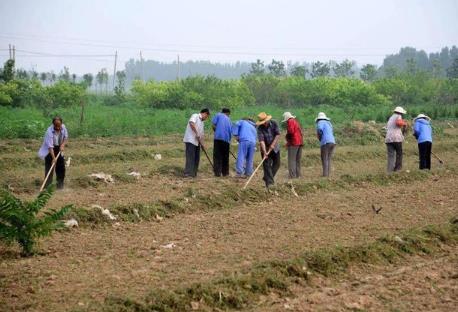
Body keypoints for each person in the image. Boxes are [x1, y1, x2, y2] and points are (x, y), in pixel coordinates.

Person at [38, 116, 68, 189]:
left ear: (61, 124)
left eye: (59, 126)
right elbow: (50, 147)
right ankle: (47, 187)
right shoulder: (49, 132)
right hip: (50, 150)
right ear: (53, 124)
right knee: (49, 167)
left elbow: (65, 137)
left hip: (59, 147)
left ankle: (60, 186)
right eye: (56, 126)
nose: (58, 128)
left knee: (61, 167)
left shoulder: (63, 127)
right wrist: (54, 158)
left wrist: (62, 145)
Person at [183, 108, 210, 177]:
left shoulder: (202, 122)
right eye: (207, 116)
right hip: (190, 140)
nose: (206, 118)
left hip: (197, 142)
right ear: (204, 113)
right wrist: (197, 133)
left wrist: (203, 144)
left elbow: (202, 135)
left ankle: (193, 173)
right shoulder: (195, 115)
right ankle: (188, 173)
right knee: (190, 157)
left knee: (196, 158)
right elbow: (191, 123)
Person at [256, 112, 281, 189]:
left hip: (275, 147)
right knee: (267, 166)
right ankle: (269, 184)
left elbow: (277, 134)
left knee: (277, 164)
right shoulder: (260, 128)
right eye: (262, 123)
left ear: (267, 120)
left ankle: (267, 178)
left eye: (265, 122)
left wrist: (273, 145)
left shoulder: (274, 123)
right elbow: (261, 141)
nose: (264, 124)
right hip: (265, 148)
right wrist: (264, 152)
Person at [385, 106, 408, 172]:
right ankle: (398, 169)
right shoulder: (398, 116)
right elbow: (398, 123)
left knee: (391, 155)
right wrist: (404, 123)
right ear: (400, 112)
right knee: (399, 153)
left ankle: (389, 171)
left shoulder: (391, 118)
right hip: (396, 138)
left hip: (388, 139)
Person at [212, 108, 232, 177]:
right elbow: (230, 131)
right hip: (227, 140)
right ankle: (225, 173)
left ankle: (217, 173)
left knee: (217, 156)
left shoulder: (218, 115)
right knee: (225, 157)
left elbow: (213, 125)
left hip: (218, 138)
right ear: (227, 113)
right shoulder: (229, 119)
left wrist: (216, 131)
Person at [282, 112, 303, 179]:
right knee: (297, 160)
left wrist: (287, 139)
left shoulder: (290, 122)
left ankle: (292, 176)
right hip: (299, 142)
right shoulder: (295, 121)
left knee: (291, 160)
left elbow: (290, 132)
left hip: (294, 143)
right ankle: (298, 175)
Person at [315, 112, 335, 177]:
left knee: (324, 158)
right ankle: (328, 174)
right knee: (329, 158)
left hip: (325, 142)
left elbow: (319, 130)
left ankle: (325, 175)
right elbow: (332, 131)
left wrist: (320, 138)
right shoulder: (329, 123)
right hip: (332, 141)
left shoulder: (320, 122)